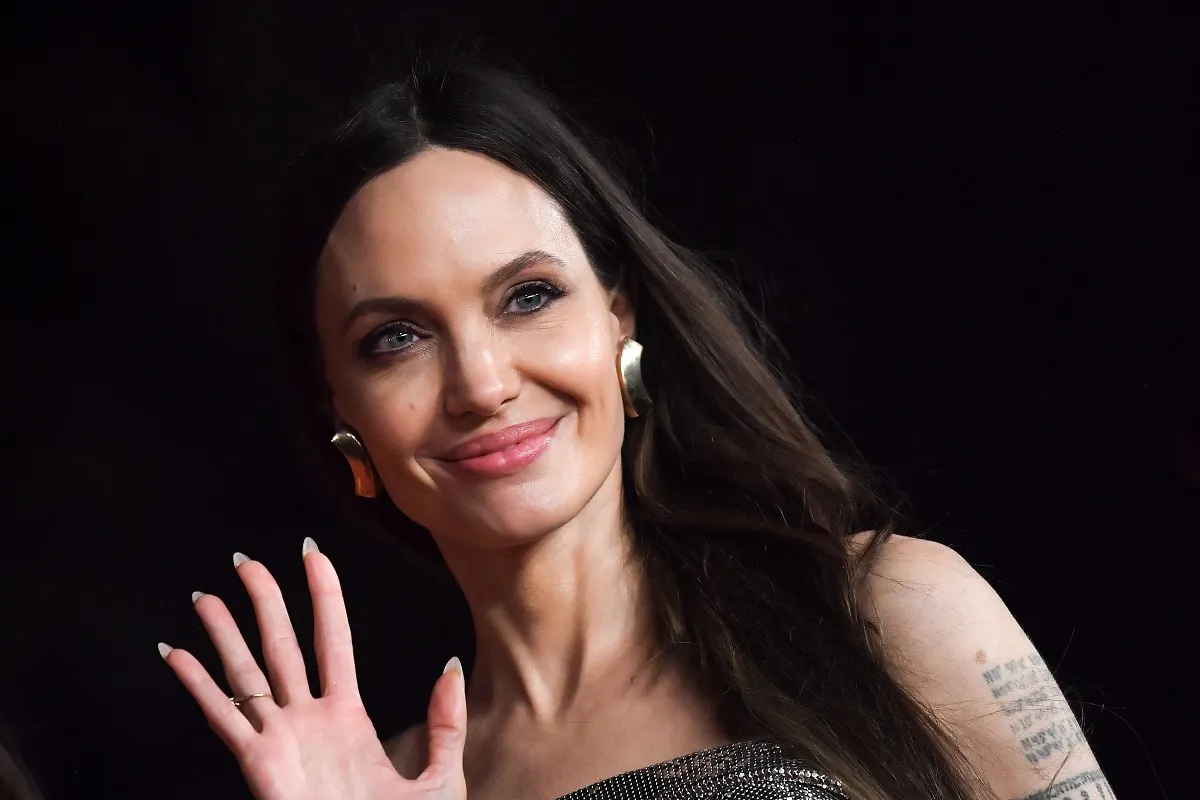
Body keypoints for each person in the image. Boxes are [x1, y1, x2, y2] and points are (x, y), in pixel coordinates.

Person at [157, 53, 1117, 800]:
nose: (481, 384)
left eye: (527, 296)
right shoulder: (387, 783)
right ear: (340, 408)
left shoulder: (886, 614)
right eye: (396, 337)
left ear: (619, 317)